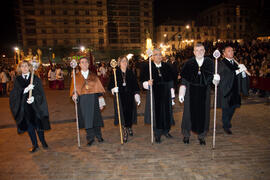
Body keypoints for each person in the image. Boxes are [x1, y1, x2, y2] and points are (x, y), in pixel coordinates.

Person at [179, 43, 219, 145]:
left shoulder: (210, 63)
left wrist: (216, 80)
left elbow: (213, 81)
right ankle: (186, 135)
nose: (199, 52)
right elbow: (184, 80)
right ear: (194, 52)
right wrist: (181, 93)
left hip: (204, 93)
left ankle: (202, 136)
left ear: (204, 51)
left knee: (204, 114)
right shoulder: (188, 63)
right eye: (197, 50)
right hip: (190, 93)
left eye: (201, 50)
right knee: (188, 114)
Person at [9, 60, 50, 153]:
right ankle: (34, 145)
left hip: (35, 108)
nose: (24, 68)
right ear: (19, 68)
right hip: (24, 109)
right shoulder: (17, 80)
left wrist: (34, 98)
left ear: (29, 67)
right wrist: (25, 90)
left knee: (39, 127)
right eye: (22, 66)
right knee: (30, 128)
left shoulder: (35, 78)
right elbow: (14, 94)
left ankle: (43, 141)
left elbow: (41, 93)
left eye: (26, 66)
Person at [141, 48, 175, 144]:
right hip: (154, 94)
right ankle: (157, 133)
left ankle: (166, 131)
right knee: (156, 114)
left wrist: (172, 95)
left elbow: (171, 80)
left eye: (160, 54)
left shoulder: (167, 66)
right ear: (152, 56)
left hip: (166, 94)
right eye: (156, 54)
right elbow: (142, 82)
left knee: (167, 112)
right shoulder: (148, 67)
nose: (159, 56)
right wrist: (147, 83)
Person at [70, 57, 106, 146]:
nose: (84, 64)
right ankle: (90, 137)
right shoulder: (76, 77)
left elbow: (99, 90)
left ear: (88, 64)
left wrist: (101, 102)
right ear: (79, 65)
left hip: (93, 98)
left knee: (96, 118)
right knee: (87, 119)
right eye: (82, 62)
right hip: (83, 100)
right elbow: (74, 90)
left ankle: (98, 135)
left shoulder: (93, 76)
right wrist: (74, 95)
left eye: (86, 62)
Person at [217, 46, 249, 134]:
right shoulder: (221, 63)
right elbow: (223, 76)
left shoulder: (235, 64)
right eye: (229, 51)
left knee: (233, 108)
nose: (231, 52)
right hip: (226, 91)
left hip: (235, 90)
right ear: (224, 54)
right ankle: (226, 125)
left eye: (232, 50)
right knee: (226, 109)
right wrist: (237, 71)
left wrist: (243, 72)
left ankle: (226, 121)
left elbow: (239, 76)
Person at [108, 56, 140, 143]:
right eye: (122, 61)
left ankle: (129, 127)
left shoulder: (130, 72)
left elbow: (135, 84)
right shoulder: (115, 72)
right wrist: (113, 89)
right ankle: (124, 131)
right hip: (120, 97)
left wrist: (137, 94)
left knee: (129, 114)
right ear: (119, 63)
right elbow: (110, 85)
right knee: (122, 115)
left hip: (129, 97)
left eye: (126, 61)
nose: (124, 63)